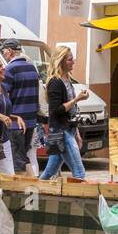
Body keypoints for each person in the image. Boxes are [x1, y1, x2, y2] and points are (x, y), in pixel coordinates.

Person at [39, 46, 89, 181]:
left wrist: (76, 133)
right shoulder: (55, 82)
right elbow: (56, 110)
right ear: (60, 61)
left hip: (69, 130)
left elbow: (71, 113)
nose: (73, 62)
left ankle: (35, 190)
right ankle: (79, 200)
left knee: (50, 171)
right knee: (79, 172)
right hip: (62, 132)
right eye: (70, 60)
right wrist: (77, 99)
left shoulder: (67, 80)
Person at [2, 39, 42, 176]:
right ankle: (33, 185)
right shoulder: (32, 67)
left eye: (4, 51)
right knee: (24, 156)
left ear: (10, 51)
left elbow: (4, 95)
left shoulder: (9, 69)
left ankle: (21, 191)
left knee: (17, 160)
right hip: (30, 121)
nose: (3, 53)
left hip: (16, 122)